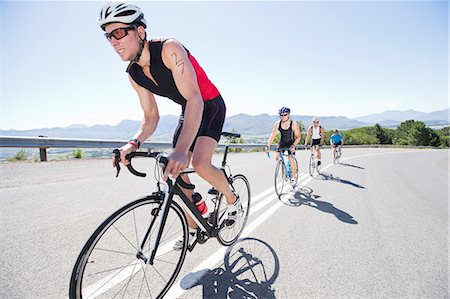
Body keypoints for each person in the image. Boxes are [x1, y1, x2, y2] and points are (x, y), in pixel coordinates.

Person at [97, 2, 239, 249]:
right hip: (189, 108)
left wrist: (182, 150)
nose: (113, 41)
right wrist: (133, 143)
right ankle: (194, 226)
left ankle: (232, 198)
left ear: (140, 31)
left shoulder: (169, 49)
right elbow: (151, 117)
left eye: (119, 32)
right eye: (109, 36)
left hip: (209, 104)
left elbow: (195, 98)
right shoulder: (134, 74)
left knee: (200, 164)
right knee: (173, 172)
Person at [266, 107, 301, 182]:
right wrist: (268, 146)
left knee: (291, 159)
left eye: (285, 115)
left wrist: (294, 145)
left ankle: (293, 176)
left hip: (291, 143)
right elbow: (273, 135)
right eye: (281, 115)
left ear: (288, 115)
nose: (283, 117)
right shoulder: (277, 124)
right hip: (282, 143)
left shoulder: (294, 124)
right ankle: (284, 168)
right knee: (277, 157)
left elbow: (298, 137)